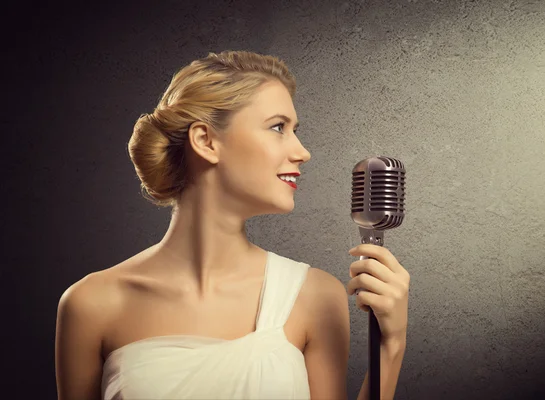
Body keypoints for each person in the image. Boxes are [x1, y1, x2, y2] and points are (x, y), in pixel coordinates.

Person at [55, 50, 410, 400]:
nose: (302, 152)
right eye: (277, 127)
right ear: (206, 141)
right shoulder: (91, 304)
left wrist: (390, 346)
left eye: (294, 130)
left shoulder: (315, 297)